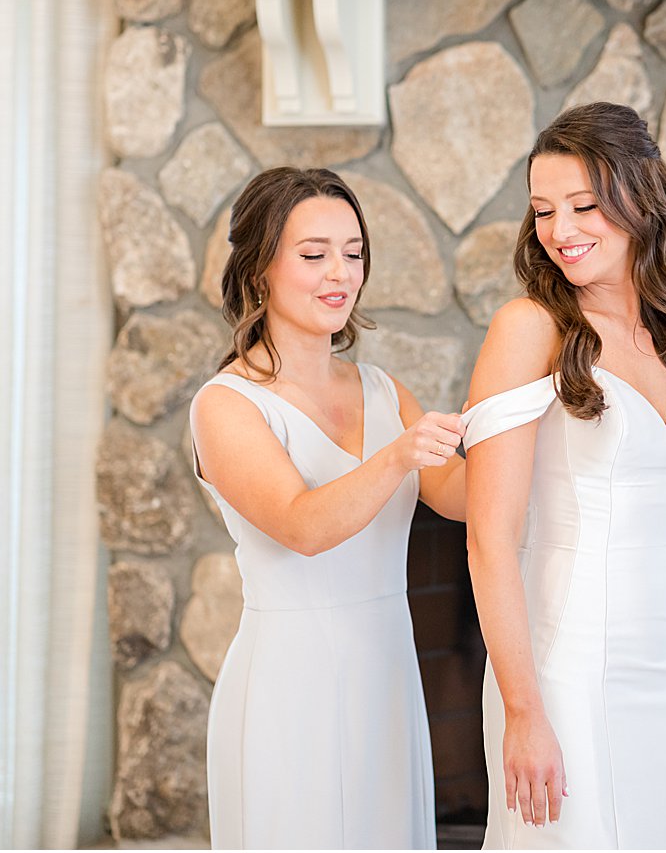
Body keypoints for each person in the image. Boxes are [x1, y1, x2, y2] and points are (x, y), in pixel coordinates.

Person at [462, 102, 666, 848]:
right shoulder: (530, 327)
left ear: (639, 196)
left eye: (583, 205)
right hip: (565, 671)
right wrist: (524, 708)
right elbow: (489, 538)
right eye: (542, 211)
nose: (560, 231)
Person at [189, 166, 466, 849]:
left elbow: (460, 497)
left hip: (388, 673)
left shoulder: (382, 388)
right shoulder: (226, 405)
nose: (338, 271)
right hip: (291, 683)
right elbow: (303, 525)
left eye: (353, 252)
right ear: (260, 270)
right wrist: (401, 454)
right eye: (313, 254)